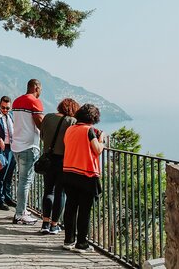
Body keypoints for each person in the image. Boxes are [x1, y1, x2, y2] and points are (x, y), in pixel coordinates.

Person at [61, 104, 106, 253]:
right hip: (86, 174)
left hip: (68, 172)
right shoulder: (89, 131)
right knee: (84, 210)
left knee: (71, 207)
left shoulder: (70, 129)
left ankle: (68, 240)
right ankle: (81, 243)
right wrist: (102, 139)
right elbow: (97, 149)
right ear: (94, 118)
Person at [38, 98, 80, 234]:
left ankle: (45, 222)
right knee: (60, 193)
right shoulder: (71, 122)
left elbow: (42, 136)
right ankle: (54, 224)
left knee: (48, 191)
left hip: (48, 159)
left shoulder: (48, 117)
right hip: (63, 160)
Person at [11, 79, 44, 225]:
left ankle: (22, 210)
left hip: (16, 146)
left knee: (22, 181)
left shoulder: (17, 101)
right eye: (40, 89)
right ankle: (20, 214)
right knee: (25, 182)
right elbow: (40, 124)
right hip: (29, 146)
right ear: (36, 87)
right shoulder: (34, 102)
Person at [0, 96, 16, 210]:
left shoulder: (11, 116)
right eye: (3, 107)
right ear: (0, 105)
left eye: (7, 108)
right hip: (1, 148)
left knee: (9, 174)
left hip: (12, 148)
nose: (5, 110)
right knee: (1, 174)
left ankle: (7, 196)